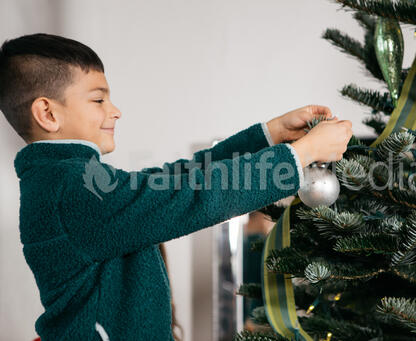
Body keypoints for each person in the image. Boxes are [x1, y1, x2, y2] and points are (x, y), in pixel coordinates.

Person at [0, 33, 353, 340]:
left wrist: (269, 136)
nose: (115, 110)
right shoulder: (71, 191)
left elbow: (172, 180)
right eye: (98, 100)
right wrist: (299, 155)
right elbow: (188, 195)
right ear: (48, 114)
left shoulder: (71, 180)